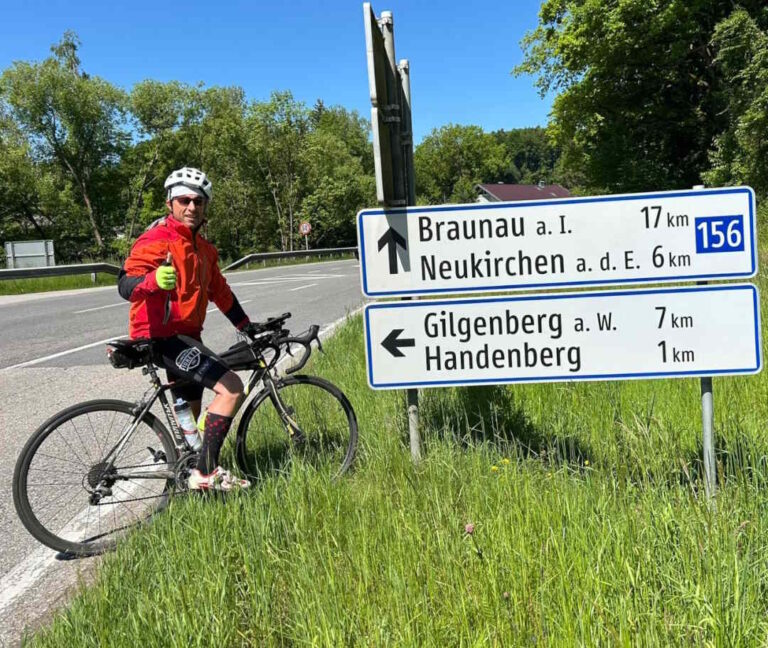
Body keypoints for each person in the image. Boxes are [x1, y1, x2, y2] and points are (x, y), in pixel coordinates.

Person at [118, 166, 253, 492]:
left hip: (188, 337)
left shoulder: (205, 250)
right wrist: (151, 281)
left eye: (198, 201)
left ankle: (186, 469)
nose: (192, 207)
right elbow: (124, 283)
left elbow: (220, 292)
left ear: (206, 206)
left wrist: (247, 326)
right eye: (184, 200)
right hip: (162, 337)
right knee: (232, 387)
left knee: (190, 412)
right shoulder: (156, 240)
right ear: (171, 203)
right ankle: (206, 473)